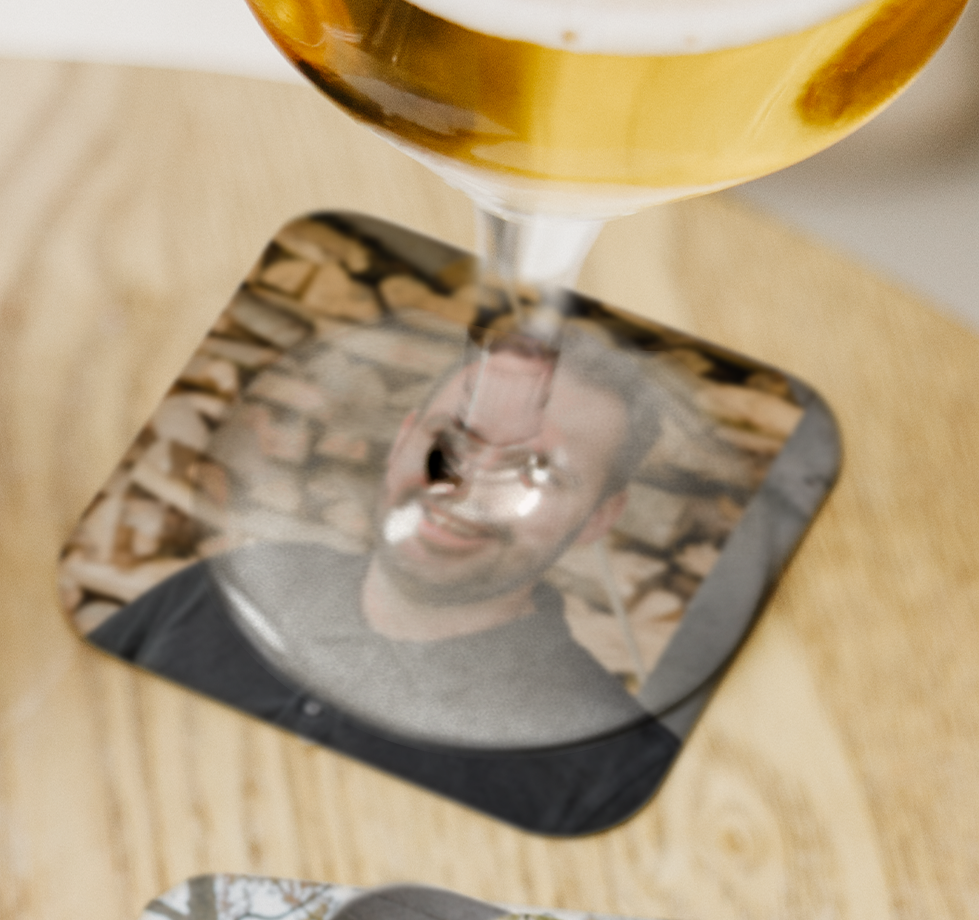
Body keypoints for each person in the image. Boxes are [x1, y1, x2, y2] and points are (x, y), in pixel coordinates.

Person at [88, 334, 682, 835]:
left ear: (602, 514)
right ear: (404, 441)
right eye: (454, 440)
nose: (467, 488)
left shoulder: (609, 770)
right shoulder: (231, 588)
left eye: (539, 470)